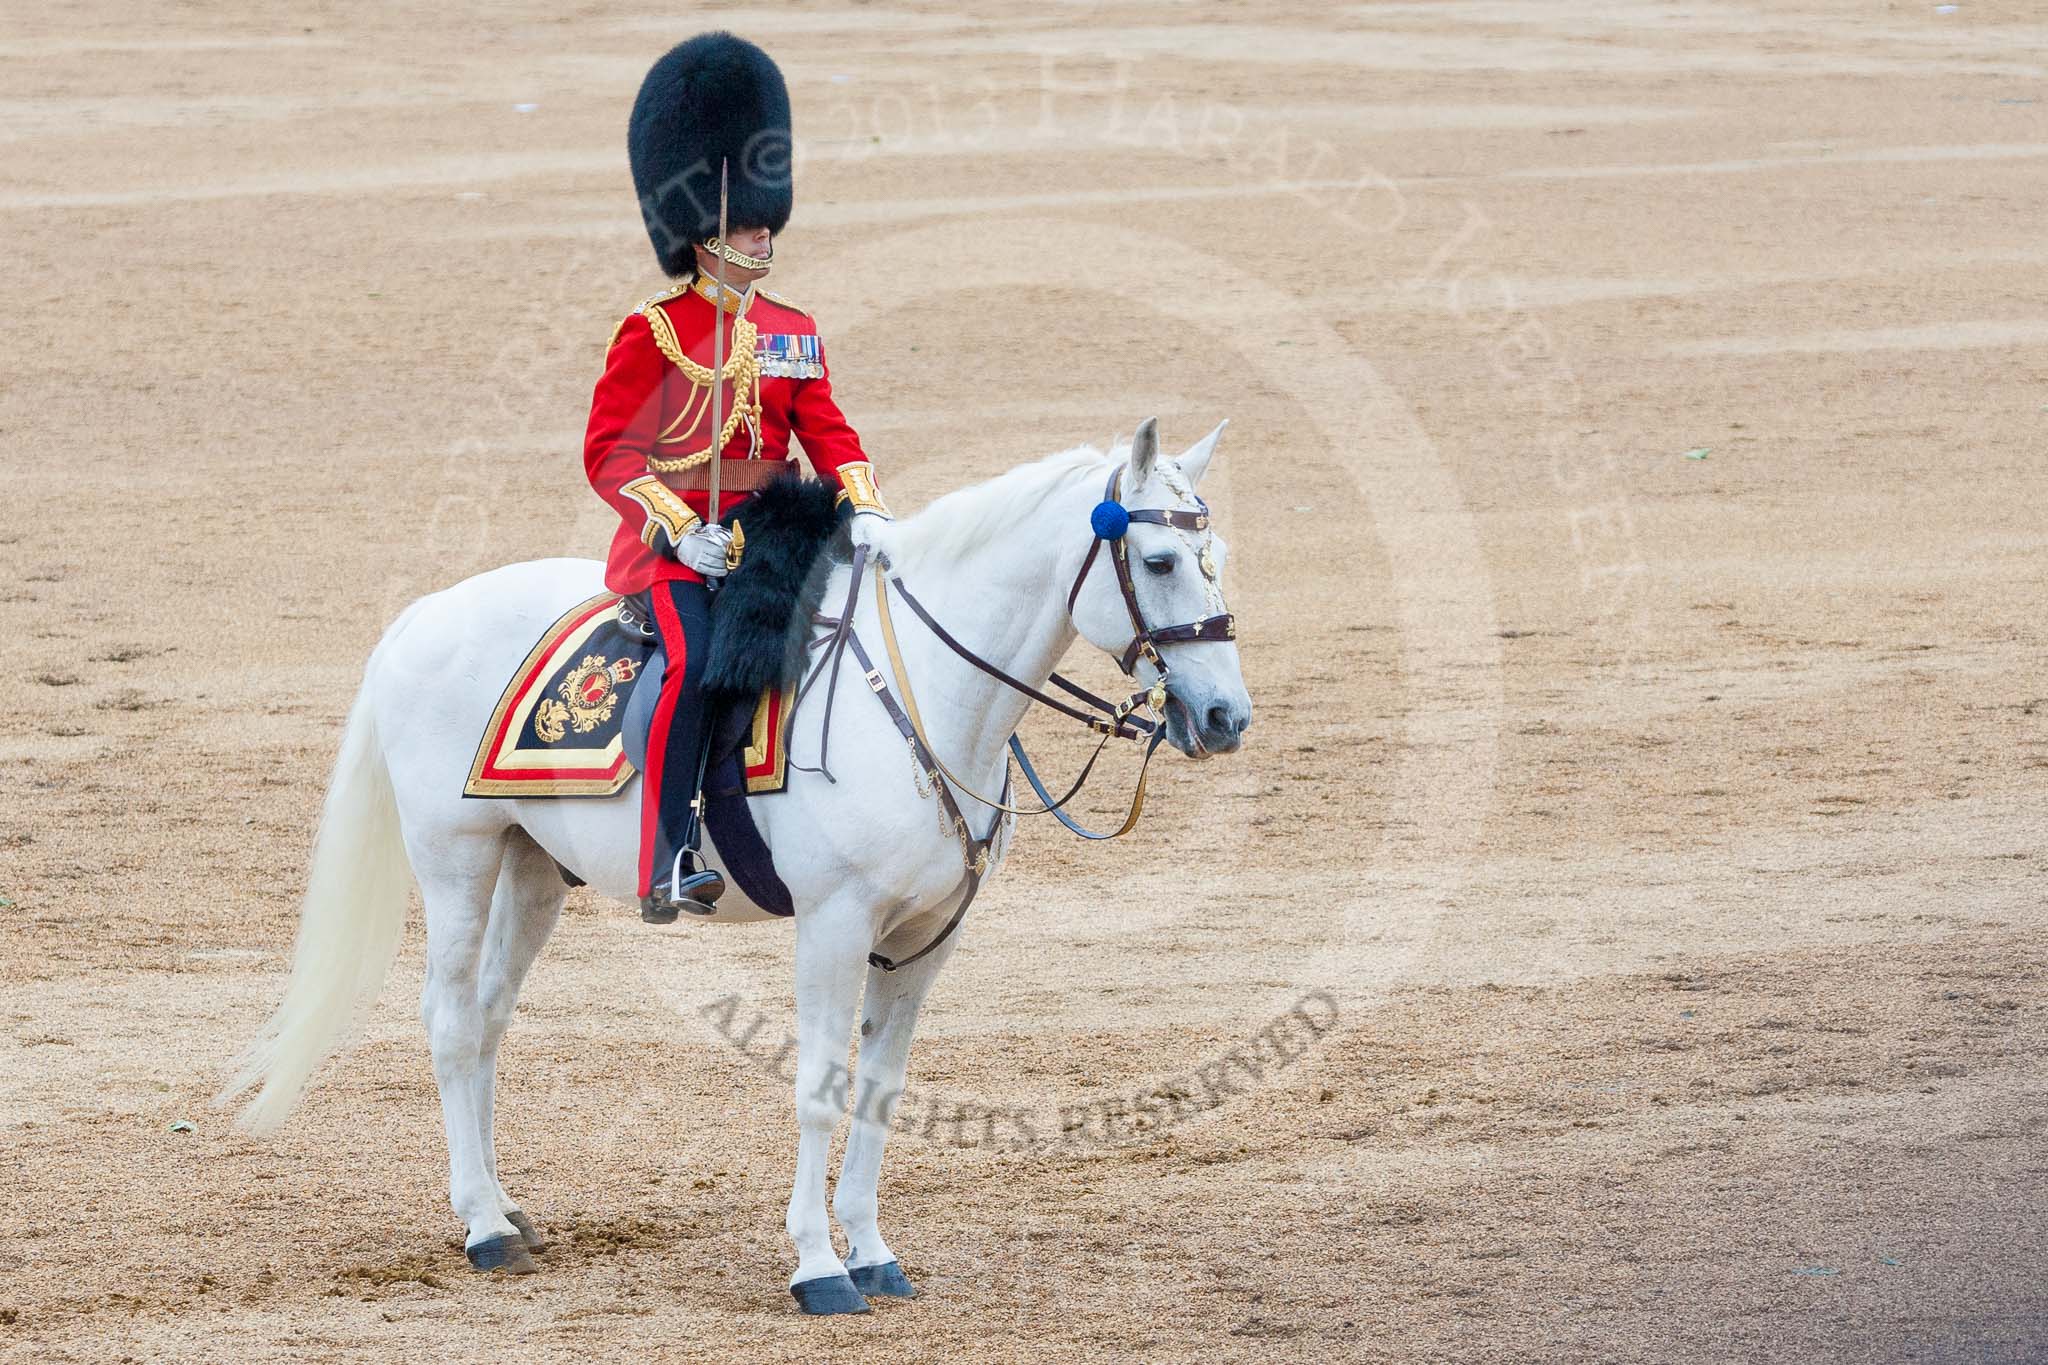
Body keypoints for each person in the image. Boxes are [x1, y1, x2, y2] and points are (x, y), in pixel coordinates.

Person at [583, 31, 890, 922]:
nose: (765, 231)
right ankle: (669, 852)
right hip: (677, 550)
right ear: (707, 233)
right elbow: (611, 452)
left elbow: (825, 427)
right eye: (750, 220)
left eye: (766, 219)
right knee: (692, 661)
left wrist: (865, 504)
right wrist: (679, 528)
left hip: (776, 532)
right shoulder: (654, 330)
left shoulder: (792, 326)